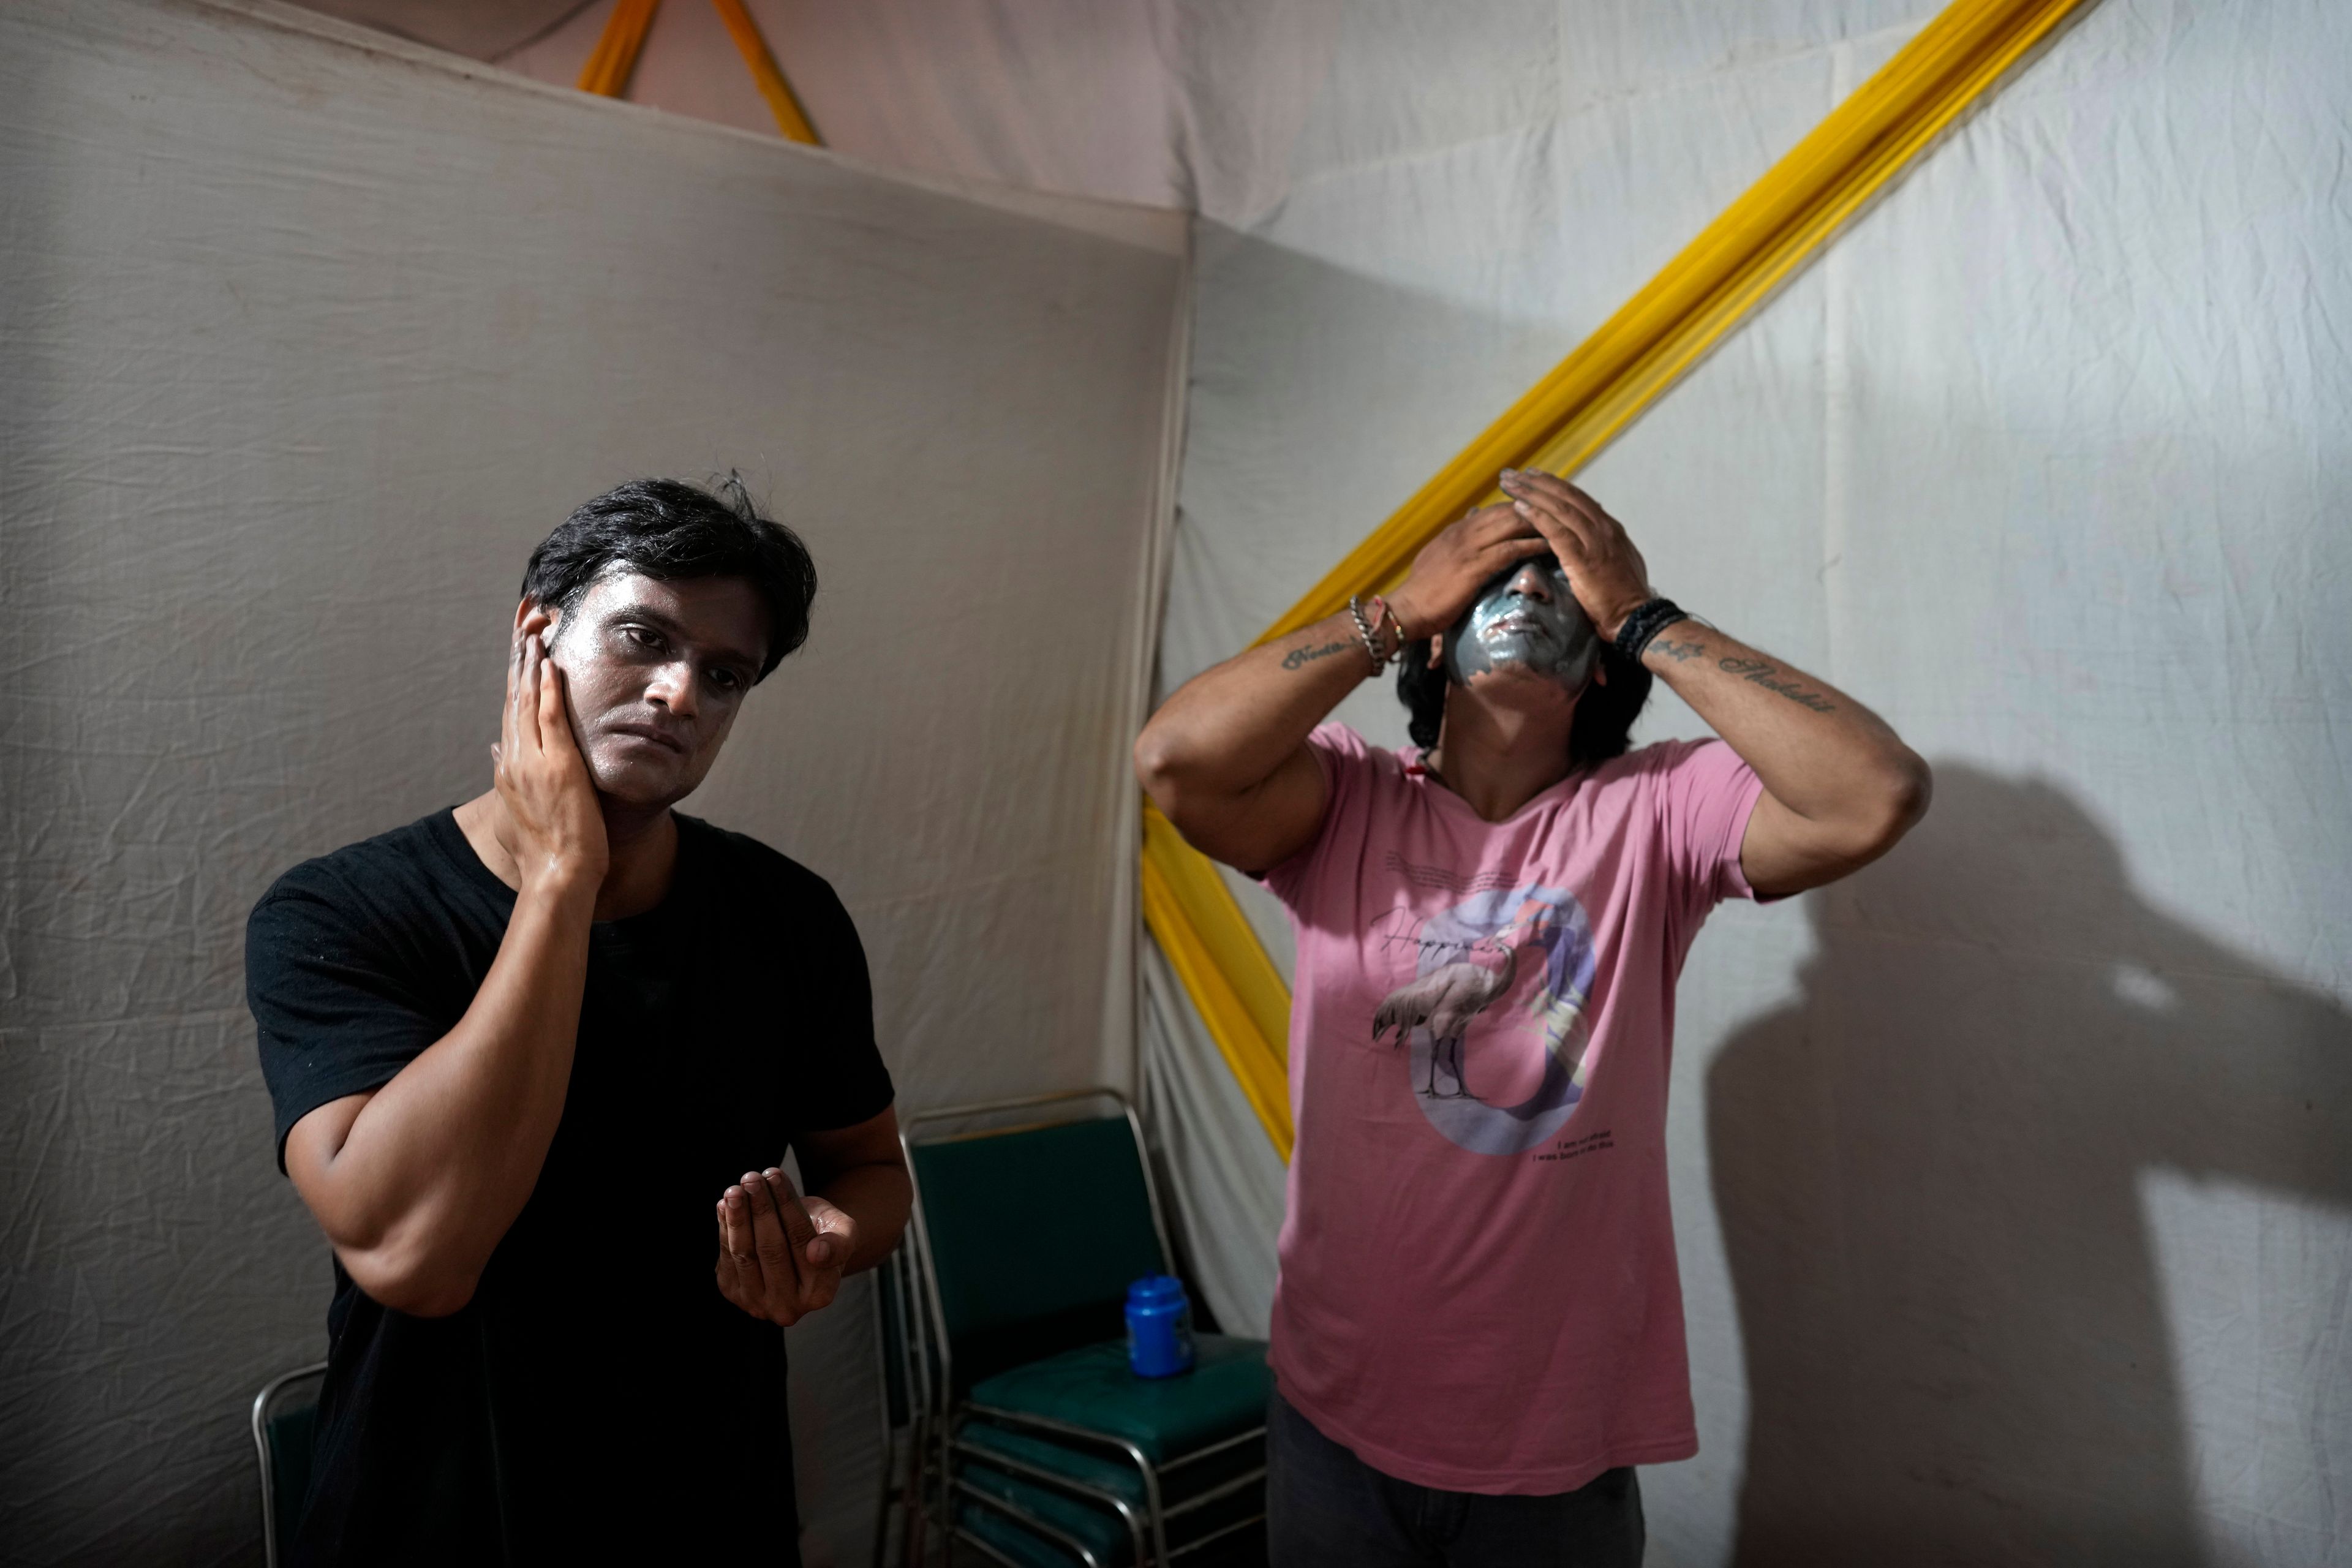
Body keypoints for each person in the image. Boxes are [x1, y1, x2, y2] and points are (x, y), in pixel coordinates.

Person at [1134, 469, 1931, 1566]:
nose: (1529, 590)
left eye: (1560, 582)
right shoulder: (1345, 800)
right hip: (1335, 1418)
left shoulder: (1652, 809)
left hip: (1553, 1449)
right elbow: (1175, 761)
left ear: (1601, 658)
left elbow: (1874, 792)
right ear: (1430, 652)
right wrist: (1398, 608)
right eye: (1494, 580)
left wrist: (1649, 617)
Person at [247, 477, 909, 1565]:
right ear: (536, 633)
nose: (678, 694)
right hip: (439, 1515)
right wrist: (562, 875)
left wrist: (831, 1239)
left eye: (723, 674)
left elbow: (873, 1172)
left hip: (706, 1509)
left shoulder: (788, 915)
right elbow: (413, 1257)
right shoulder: (342, 913)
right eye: (644, 638)